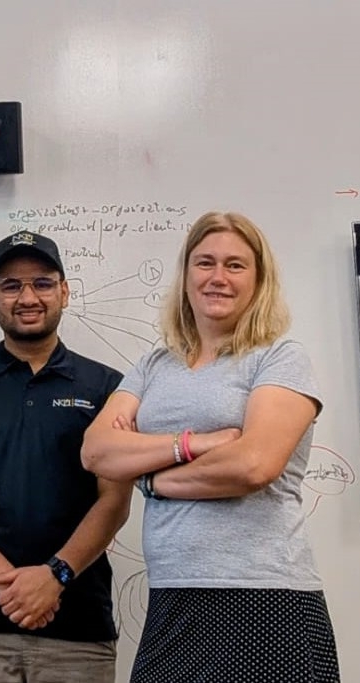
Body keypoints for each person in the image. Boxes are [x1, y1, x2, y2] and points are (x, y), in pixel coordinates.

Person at [81, 211, 341, 682]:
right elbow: (97, 452)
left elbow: (253, 465)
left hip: (266, 596)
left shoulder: (280, 358)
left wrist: (152, 479)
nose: (217, 277)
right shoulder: (154, 364)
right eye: (205, 263)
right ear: (185, 276)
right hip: (174, 595)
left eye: (235, 265)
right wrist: (195, 443)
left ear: (259, 280)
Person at [0, 230, 133, 683]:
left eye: (42, 283)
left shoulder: (109, 388)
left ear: (64, 291)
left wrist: (55, 576)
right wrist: (9, 582)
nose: (28, 297)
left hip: (79, 630)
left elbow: (115, 500)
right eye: (11, 285)